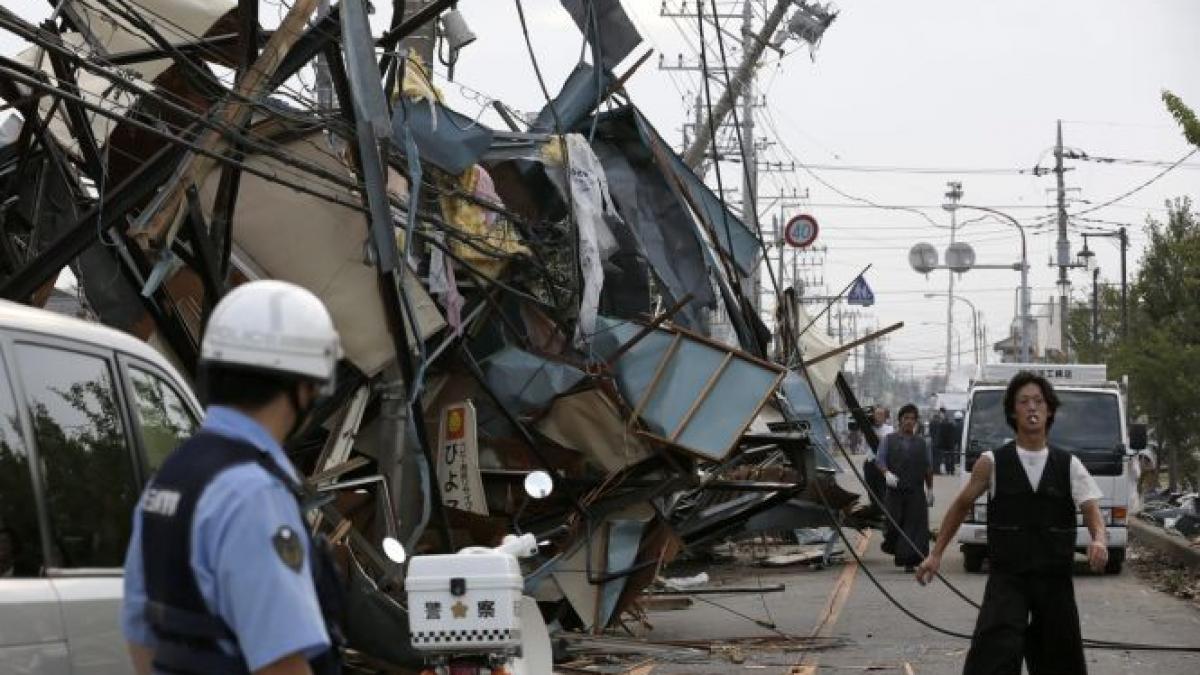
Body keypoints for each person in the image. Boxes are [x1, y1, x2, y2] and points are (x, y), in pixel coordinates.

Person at [121, 280, 346, 675]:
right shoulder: (254, 493)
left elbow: (141, 637)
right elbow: (281, 662)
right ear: (305, 389)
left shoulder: (170, 478)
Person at [915, 371, 1107, 674]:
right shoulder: (991, 462)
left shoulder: (1069, 465)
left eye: (1039, 402)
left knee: (1060, 660)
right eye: (1024, 401)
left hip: (1053, 581)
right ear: (1012, 411)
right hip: (1008, 579)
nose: (1032, 408)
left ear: (1050, 410)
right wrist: (936, 553)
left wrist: (1099, 540)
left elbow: (1091, 509)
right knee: (994, 657)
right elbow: (961, 506)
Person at [876, 404, 933, 570]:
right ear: (900, 420)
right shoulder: (889, 440)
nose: (909, 421)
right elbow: (880, 460)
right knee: (894, 524)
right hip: (895, 492)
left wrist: (930, 489)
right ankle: (895, 548)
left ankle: (911, 561)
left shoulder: (923, 443)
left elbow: (928, 467)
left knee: (914, 527)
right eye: (906, 418)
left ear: (916, 422)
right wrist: (886, 473)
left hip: (915, 491)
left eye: (912, 419)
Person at [861, 406, 895, 517]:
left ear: (885, 417)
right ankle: (875, 509)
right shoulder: (868, 427)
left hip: (882, 464)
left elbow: (884, 442)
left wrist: (872, 432)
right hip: (869, 462)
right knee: (871, 487)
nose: (878, 416)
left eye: (881, 414)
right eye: (876, 414)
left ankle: (885, 511)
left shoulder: (889, 429)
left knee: (882, 489)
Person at [929, 408, 947, 475]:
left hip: (933, 442)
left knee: (933, 457)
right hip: (938, 443)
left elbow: (930, 432)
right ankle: (937, 471)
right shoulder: (939, 423)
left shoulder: (931, 423)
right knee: (938, 458)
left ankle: (934, 470)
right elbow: (940, 433)